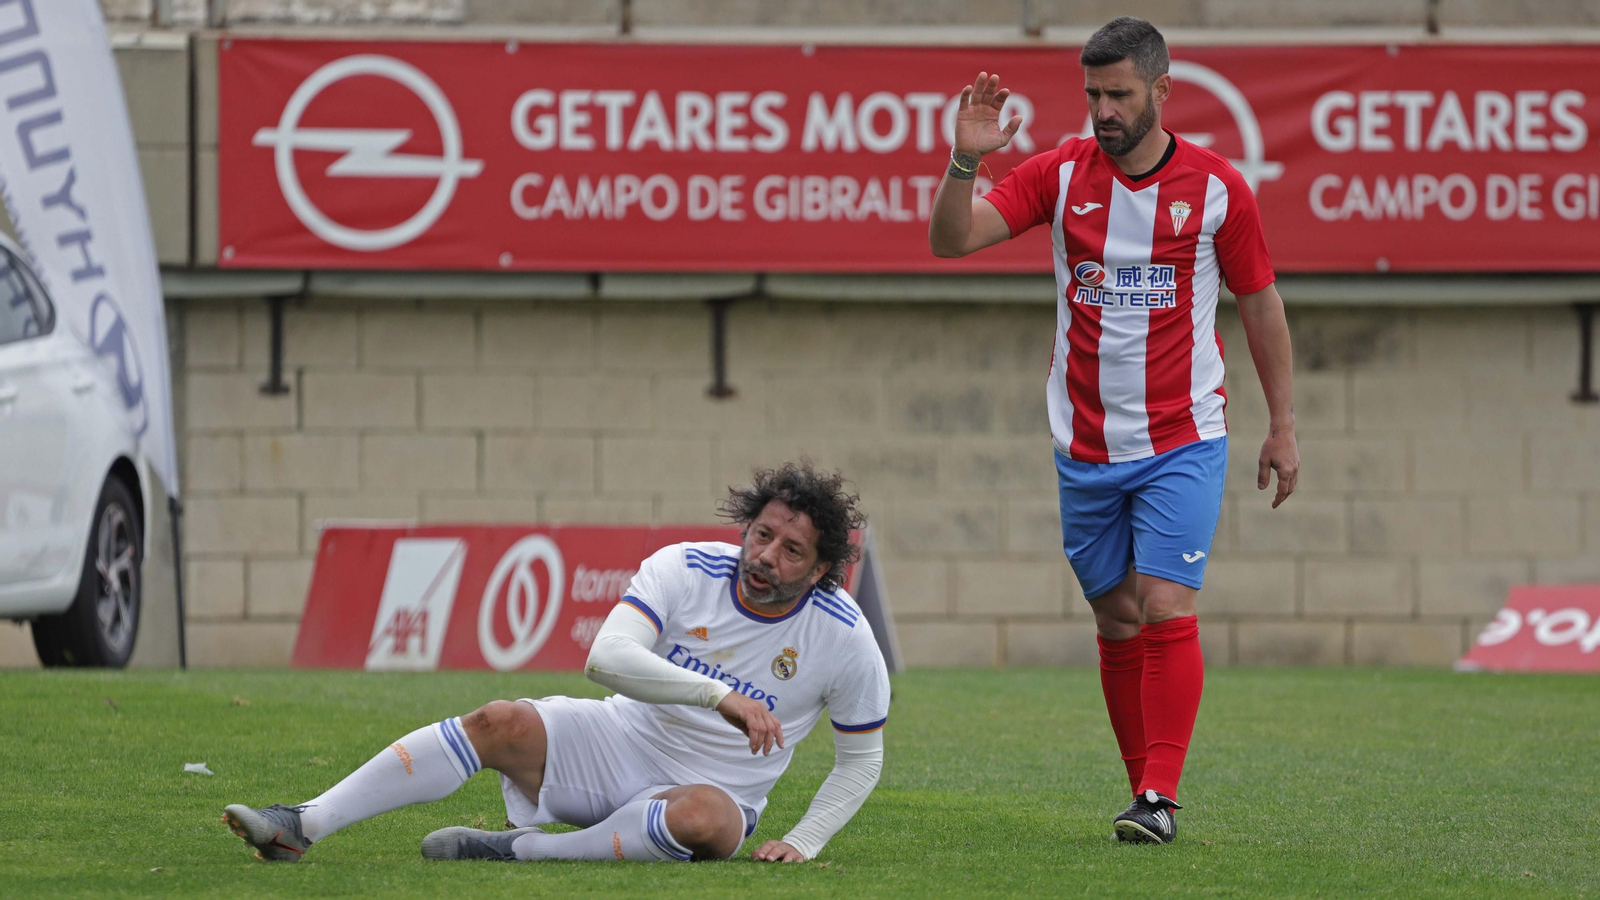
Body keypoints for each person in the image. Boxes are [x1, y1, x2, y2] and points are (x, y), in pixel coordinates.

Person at [928, 17, 1299, 845]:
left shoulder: (1216, 188)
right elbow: (950, 241)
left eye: (1119, 94)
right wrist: (965, 159)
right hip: (1086, 447)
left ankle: (1160, 798)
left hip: (1184, 437)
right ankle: (1143, 788)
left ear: (1162, 91)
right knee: (1116, 618)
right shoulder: (1059, 174)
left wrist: (1283, 423)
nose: (1103, 109)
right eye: (1093, 93)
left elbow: (1261, 302)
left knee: (1166, 604)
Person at [222, 462, 889, 865]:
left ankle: (523, 850)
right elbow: (605, 659)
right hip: (616, 740)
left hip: (714, 792)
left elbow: (860, 759)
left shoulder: (845, 638)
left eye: (792, 550)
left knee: (706, 822)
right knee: (498, 721)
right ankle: (301, 824)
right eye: (762, 534)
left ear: (822, 568)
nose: (767, 555)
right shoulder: (686, 567)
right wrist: (720, 696)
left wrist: (805, 840)